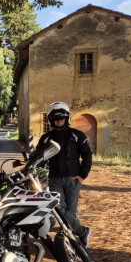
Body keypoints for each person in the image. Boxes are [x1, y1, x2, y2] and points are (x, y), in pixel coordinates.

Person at [36, 101, 93, 247]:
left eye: (61, 118)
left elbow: (87, 155)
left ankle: (70, 242)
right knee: (58, 208)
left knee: (71, 212)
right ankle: (83, 231)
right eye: (55, 119)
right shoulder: (46, 138)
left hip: (73, 178)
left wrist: (83, 175)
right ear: (51, 120)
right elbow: (38, 157)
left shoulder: (77, 135)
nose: (58, 121)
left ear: (67, 118)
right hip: (54, 179)